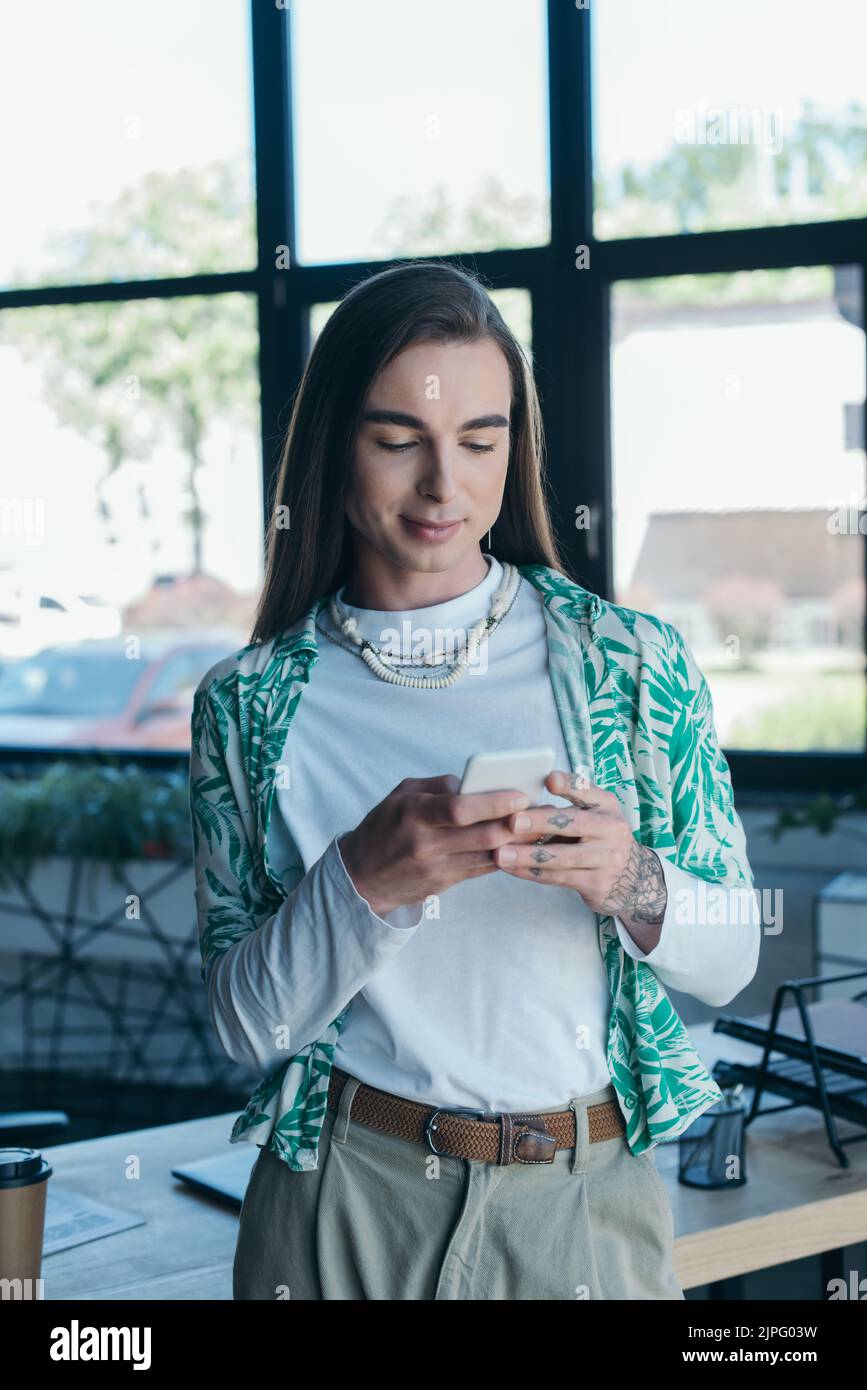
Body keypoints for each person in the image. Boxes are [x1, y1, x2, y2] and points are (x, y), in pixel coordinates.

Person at [189, 260, 761, 1301]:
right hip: (344, 1193)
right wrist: (363, 881)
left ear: (516, 446)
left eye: (481, 440)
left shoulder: (631, 665)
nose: (443, 486)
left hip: (584, 1199)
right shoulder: (250, 702)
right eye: (398, 441)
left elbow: (727, 960)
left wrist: (629, 876)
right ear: (332, 443)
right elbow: (244, 1030)